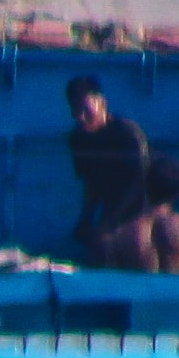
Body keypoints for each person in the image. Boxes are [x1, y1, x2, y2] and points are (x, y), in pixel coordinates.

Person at [66, 75, 152, 247]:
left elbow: (141, 180)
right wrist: (86, 218)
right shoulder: (78, 138)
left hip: (142, 208)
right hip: (110, 208)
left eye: (86, 110)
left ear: (102, 104)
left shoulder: (127, 134)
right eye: (75, 111)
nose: (81, 117)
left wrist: (110, 222)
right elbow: (90, 183)